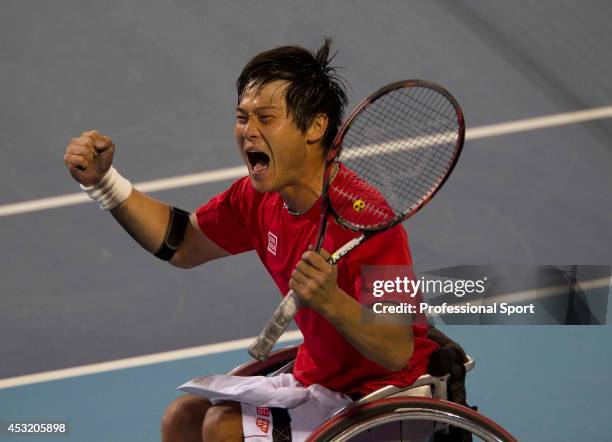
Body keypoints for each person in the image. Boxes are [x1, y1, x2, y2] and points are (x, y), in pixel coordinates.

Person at [64, 39, 438, 442]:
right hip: (318, 381)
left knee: (223, 429)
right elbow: (184, 243)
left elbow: (397, 349)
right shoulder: (259, 199)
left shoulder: (368, 221)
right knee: (183, 418)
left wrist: (333, 301)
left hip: (382, 396)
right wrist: (105, 184)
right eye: (242, 117)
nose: (248, 132)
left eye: (265, 117)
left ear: (315, 126)